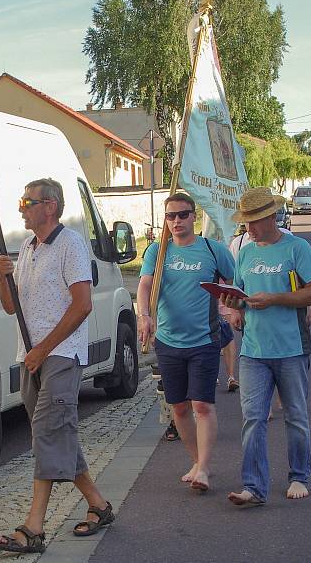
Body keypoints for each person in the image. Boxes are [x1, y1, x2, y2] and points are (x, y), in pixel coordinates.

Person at [0, 178, 113, 554]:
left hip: (60, 355)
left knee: (46, 432)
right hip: (31, 356)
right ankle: (98, 505)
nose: (21, 207)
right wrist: (3, 276)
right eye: (20, 200)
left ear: (51, 206)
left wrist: (43, 350)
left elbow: (82, 306)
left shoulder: (71, 244)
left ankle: (33, 527)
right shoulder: (27, 247)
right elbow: (11, 307)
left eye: (28, 201)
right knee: (58, 435)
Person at [221, 187, 311, 507]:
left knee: (295, 415)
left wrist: (275, 299)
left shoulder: (297, 248)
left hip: (292, 348)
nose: (247, 228)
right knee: (253, 418)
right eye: (245, 222)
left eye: (252, 222)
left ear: (270, 217)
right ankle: (253, 487)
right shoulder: (247, 253)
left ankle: (299, 476)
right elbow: (241, 291)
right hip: (253, 349)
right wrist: (234, 306)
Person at [137, 192, 235, 492]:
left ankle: (204, 468)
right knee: (179, 408)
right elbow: (145, 285)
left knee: (202, 405)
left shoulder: (212, 249)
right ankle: (196, 461)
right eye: (170, 216)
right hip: (168, 341)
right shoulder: (158, 251)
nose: (176, 221)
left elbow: (233, 284)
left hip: (204, 339)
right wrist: (144, 316)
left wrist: (233, 307)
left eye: (182, 215)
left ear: (194, 216)